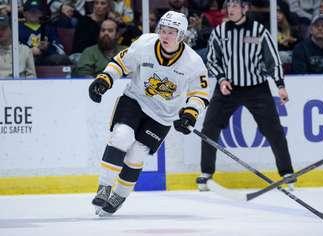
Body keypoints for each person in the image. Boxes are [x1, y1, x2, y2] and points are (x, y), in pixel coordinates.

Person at [89, 10, 209, 216]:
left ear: (181, 36)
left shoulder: (193, 61)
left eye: (171, 32)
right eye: (163, 30)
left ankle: (120, 194)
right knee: (121, 136)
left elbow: (200, 93)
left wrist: (190, 114)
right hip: (135, 100)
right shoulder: (145, 44)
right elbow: (120, 63)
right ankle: (104, 186)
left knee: (136, 153)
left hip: (163, 115)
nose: (165, 35)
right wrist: (104, 79)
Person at [196, 0, 296, 191]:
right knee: (209, 127)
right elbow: (212, 59)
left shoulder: (259, 31)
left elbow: (272, 60)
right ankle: (206, 173)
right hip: (228, 88)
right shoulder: (220, 31)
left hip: (257, 88)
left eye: (235, 6)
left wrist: (280, 86)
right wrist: (222, 79)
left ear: (245, 9)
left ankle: (287, 173)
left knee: (273, 129)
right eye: (229, 6)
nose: (230, 10)